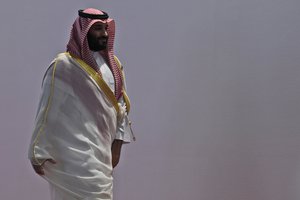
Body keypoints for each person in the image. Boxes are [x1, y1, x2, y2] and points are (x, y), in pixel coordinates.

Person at [28, 8, 134, 200]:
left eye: (105, 28)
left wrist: (117, 145)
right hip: (71, 156)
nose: (104, 34)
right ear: (83, 31)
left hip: (103, 154)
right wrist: (38, 151)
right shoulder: (63, 66)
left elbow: (121, 109)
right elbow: (47, 110)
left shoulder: (114, 66)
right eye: (97, 29)